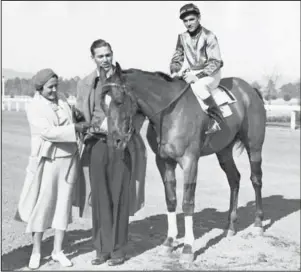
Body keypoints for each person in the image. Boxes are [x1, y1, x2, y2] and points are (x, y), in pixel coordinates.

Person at [75, 39, 147, 266]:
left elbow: (140, 112)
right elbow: (80, 114)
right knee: (99, 198)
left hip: (120, 145)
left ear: (112, 54)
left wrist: (127, 131)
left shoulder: (127, 81)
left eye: (108, 55)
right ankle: (101, 249)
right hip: (96, 144)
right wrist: (87, 127)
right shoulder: (86, 83)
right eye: (100, 56)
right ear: (93, 58)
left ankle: (117, 251)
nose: (105, 60)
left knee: (119, 197)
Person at [14, 68, 90, 270]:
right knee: (43, 205)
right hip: (48, 162)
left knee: (63, 206)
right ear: (40, 88)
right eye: (50, 87)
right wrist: (74, 129)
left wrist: (76, 118)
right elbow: (48, 132)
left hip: (69, 160)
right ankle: (37, 251)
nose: (54, 90)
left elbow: (71, 121)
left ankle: (58, 250)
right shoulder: (35, 107)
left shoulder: (63, 101)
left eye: (56, 86)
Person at [170, 3, 225, 134]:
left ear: (199, 18)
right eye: (185, 21)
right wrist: (174, 72)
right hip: (192, 72)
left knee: (198, 86)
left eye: (191, 19)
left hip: (211, 73)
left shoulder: (209, 36)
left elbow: (216, 62)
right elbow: (177, 58)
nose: (188, 23)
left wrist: (197, 77)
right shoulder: (182, 37)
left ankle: (216, 117)